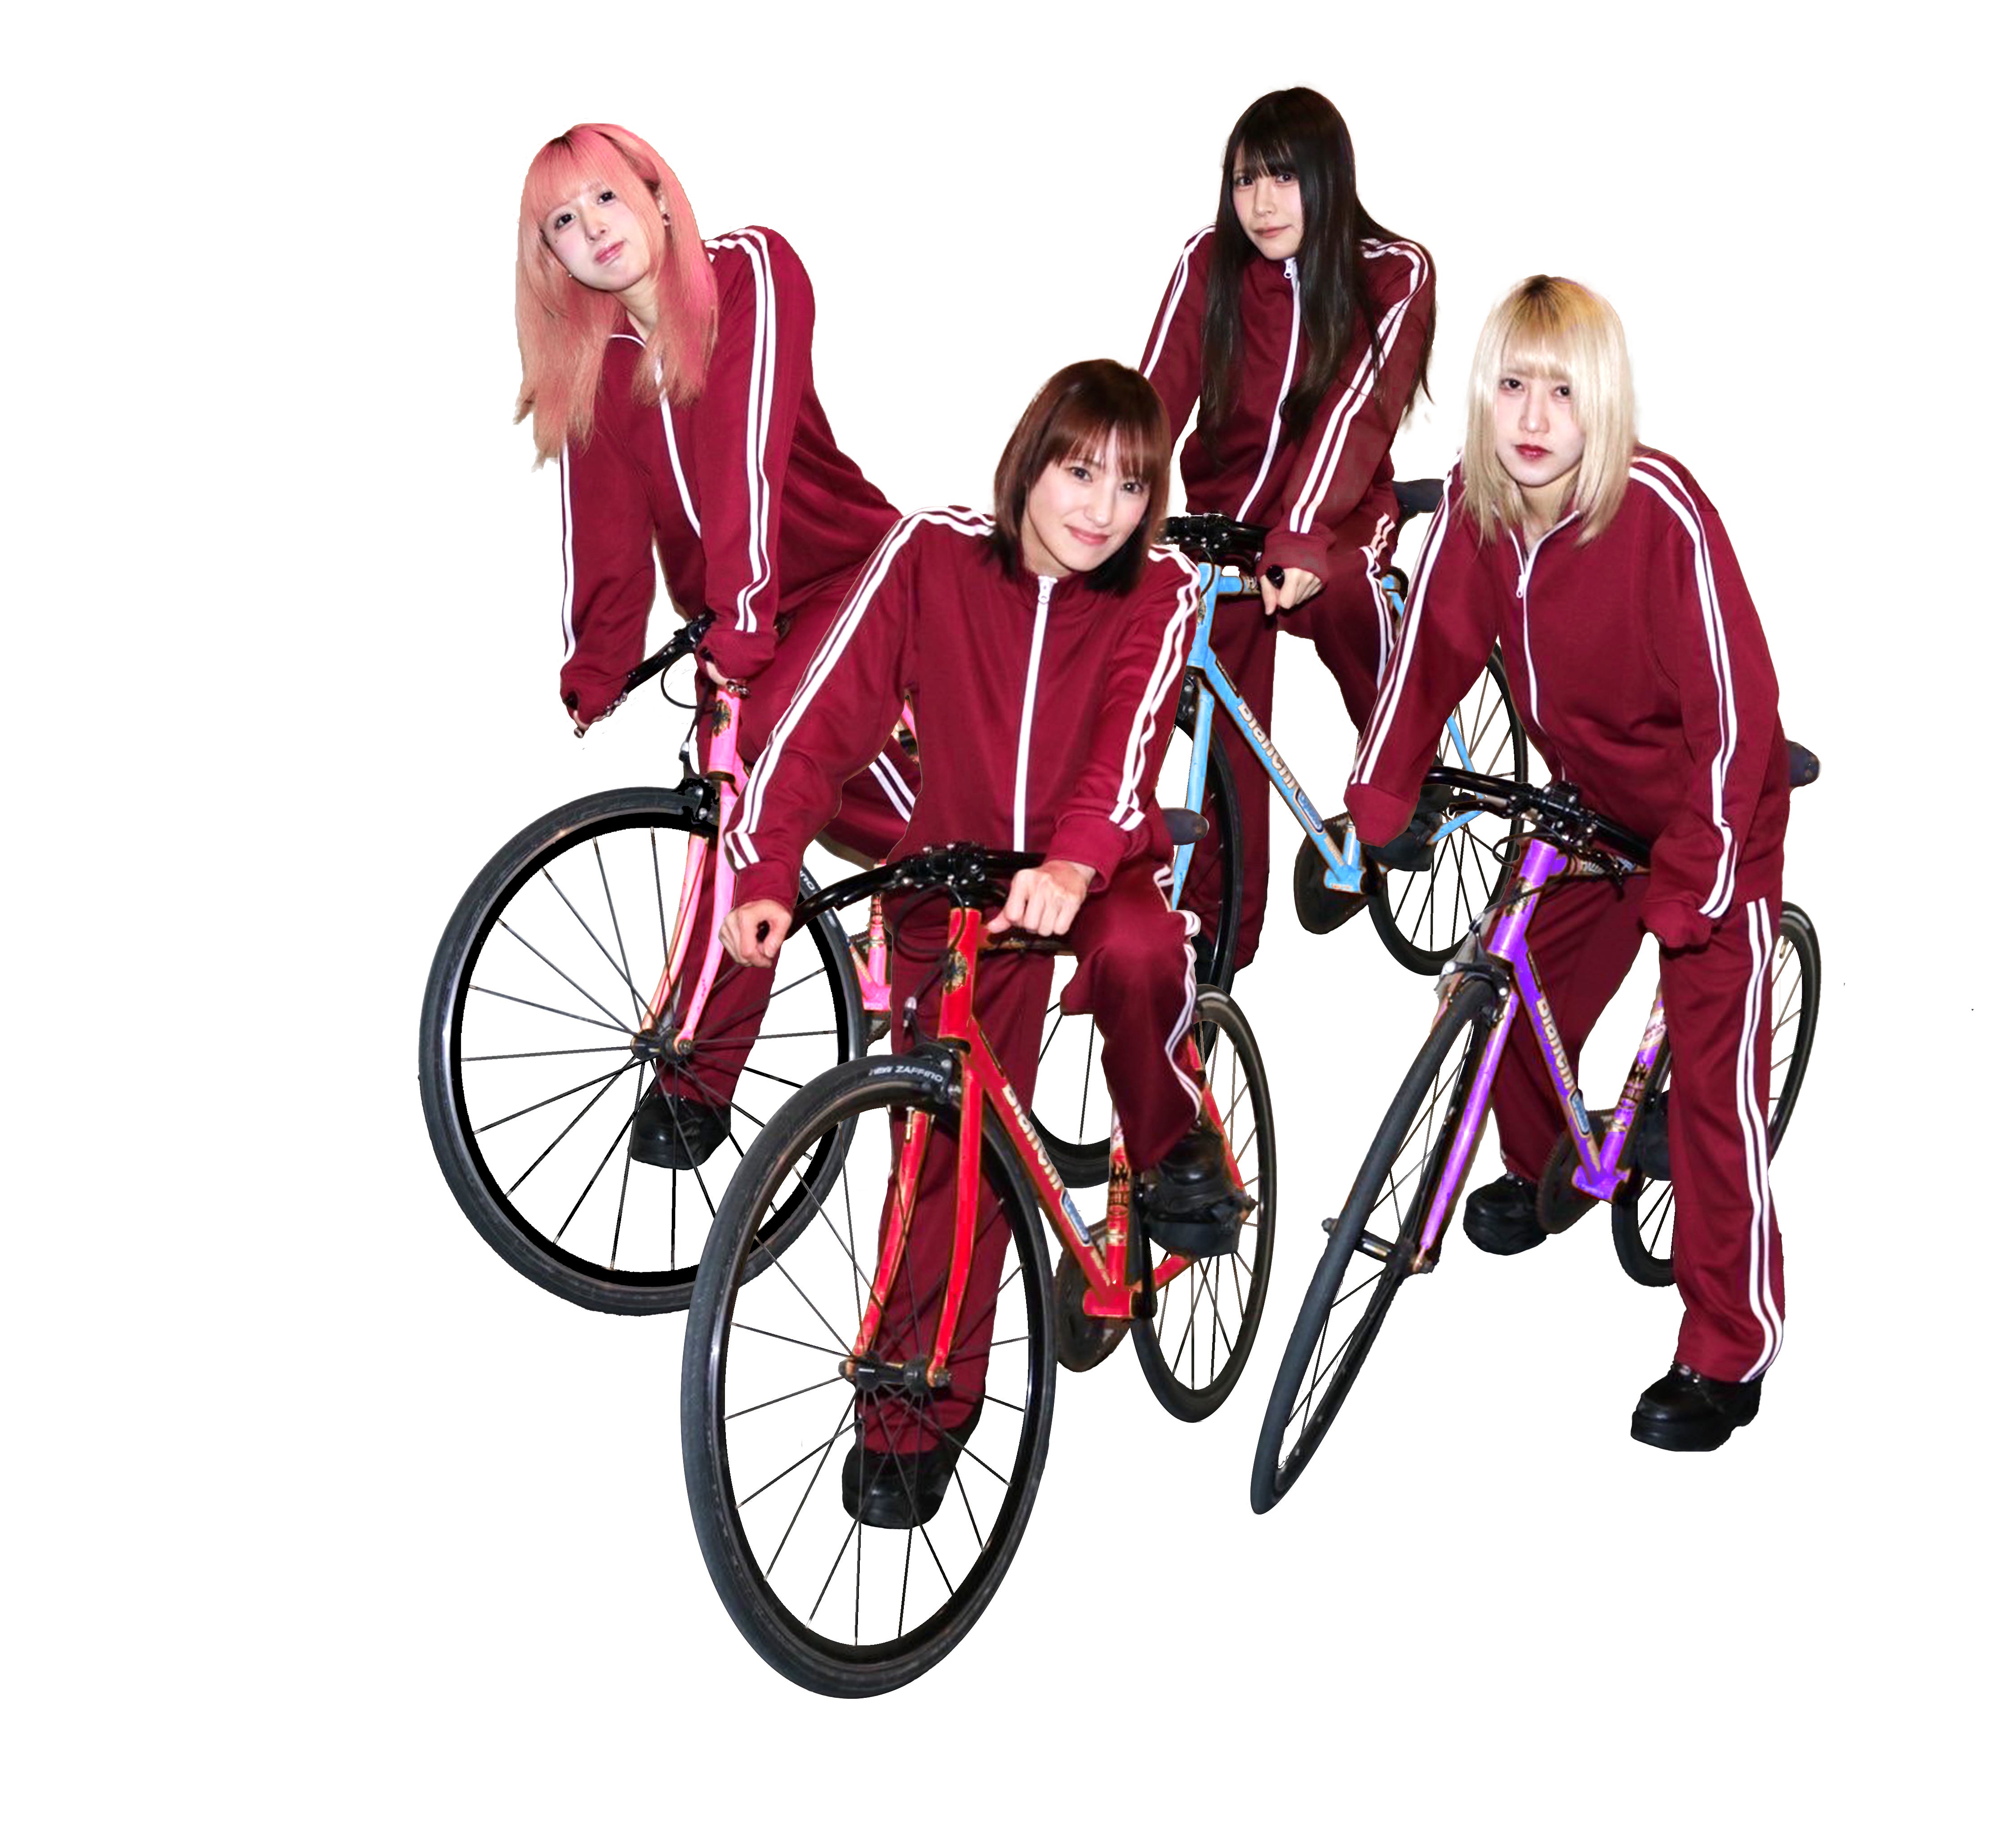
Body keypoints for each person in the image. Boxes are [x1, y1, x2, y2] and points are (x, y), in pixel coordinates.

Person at [720, 360, 1225, 1524]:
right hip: (952, 884)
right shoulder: (930, 556)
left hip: (1093, 869)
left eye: (1130, 486)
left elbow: (1128, 743)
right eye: (1078, 471)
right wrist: (765, 867)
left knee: (1142, 957)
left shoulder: (1159, 589)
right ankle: (916, 1409)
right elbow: (818, 715)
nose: (1100, 509)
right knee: (941, 1142)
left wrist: (1073, 865)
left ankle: (1170, 1145)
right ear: (1028, 462)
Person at [1348, 276, 1792, 1452]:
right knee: (1508, 988)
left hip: (1710, 817)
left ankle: (1726, 1346)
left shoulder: (1659, 512)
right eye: (1511, 385)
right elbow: (1427, 659)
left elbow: (1737, 712)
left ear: (1603, 403)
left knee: (1711, 1093)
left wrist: (1697, 873)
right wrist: (1379, 797)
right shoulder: (1475, 507)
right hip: (1589, 802)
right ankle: (1546, 1163)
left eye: (1561, 391)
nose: (1534, 416)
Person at [514, 123, 919, 1166]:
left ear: (657, 192)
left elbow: (748, 451)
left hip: (854, 584)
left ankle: (711, 1059)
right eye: (562, 223)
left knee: (779, 757)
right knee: (742, 797)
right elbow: (602, 524)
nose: (592, 229)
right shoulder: (598, 367)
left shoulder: (752, 273)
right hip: (744, 625)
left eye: (606, 198)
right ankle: (712, 1059)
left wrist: (739, 616)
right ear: (549, 258)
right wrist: (600, 661)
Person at [1138, 87, 1435, 963]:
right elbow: (1151, 395)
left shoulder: (1393, 272)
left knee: (1342, 592)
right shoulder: (1208, 262)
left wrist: (1301, 533)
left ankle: (1403, 770)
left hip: (1337, 515)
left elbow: (1357, 412)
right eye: (1243, 181)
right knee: (1217, 725)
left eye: (1281, 178)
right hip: (1223, 523)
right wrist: (1114, 504)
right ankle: (1215, 944)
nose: (1260, 203)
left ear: (1327, 177)